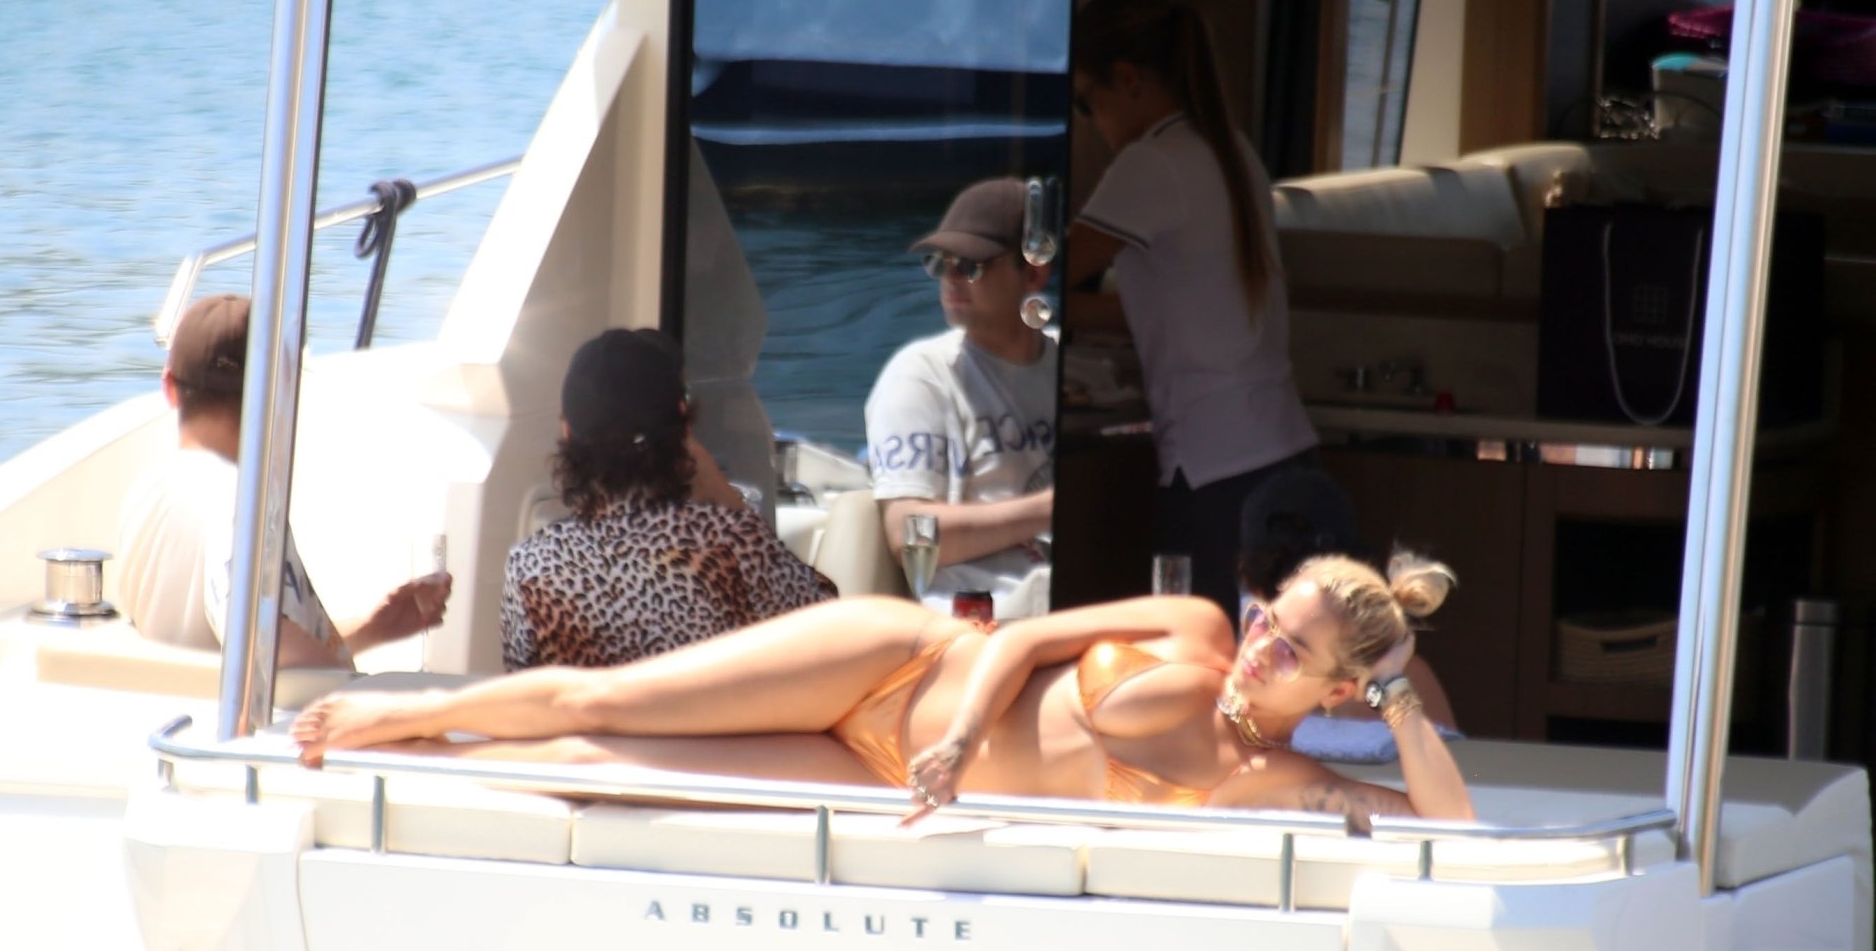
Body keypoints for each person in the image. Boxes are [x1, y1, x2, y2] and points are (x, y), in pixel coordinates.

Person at [291, 552, 1475, 831]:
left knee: (603, 771)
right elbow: (1020, 639)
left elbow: (1450, 821)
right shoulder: (1195, 629)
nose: (1261, 643)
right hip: (901, 662)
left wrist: (1397, 693)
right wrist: (960, 738)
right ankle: (404, 710)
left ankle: (427, 758)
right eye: (1271, 617)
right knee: (609, 701)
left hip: (876, 771)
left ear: (1336, 685)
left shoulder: (1280, 780)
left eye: (1292, 649)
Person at [1063, 0, 1319, 625]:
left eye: (1087, 102)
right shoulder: (1232, 152)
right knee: (1282, 664)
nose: (1091, 122)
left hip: (1215, 474)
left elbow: (1038, 276)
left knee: (1201, 662)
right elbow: (1173, 311)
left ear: (1127, 80)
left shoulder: (1152, 163)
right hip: (1285, 457)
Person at [116, 294, 451, 668]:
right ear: (279, 395)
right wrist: (363, 692)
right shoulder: (240, 505)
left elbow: (236, 645)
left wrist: (374, 629)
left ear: (169, 387)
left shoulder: (145, 494)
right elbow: (271, 652)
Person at [501, 328, 835, 670]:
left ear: (567, 431)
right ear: (683, 424)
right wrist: (725, 496)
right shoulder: (730, 541)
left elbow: (523, 684)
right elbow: (829, 628)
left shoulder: (530, 564)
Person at [865, 177, 1058, 620]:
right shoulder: (920, 376)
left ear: (1033, 272)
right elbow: (908, 534)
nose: (951, 278)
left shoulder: (1074, 369)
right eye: (941, 264)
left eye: (970, 265)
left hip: (1074, 608)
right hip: (979, 624)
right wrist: (1048, 511)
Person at [1237, 467, 1459, 762]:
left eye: (1293, 653)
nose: (1263, 648)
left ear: (1246, 572)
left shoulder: (1235, 672)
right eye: (1263, 624)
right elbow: (1465, 777)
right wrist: (1393, 683)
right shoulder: (1410, 676)